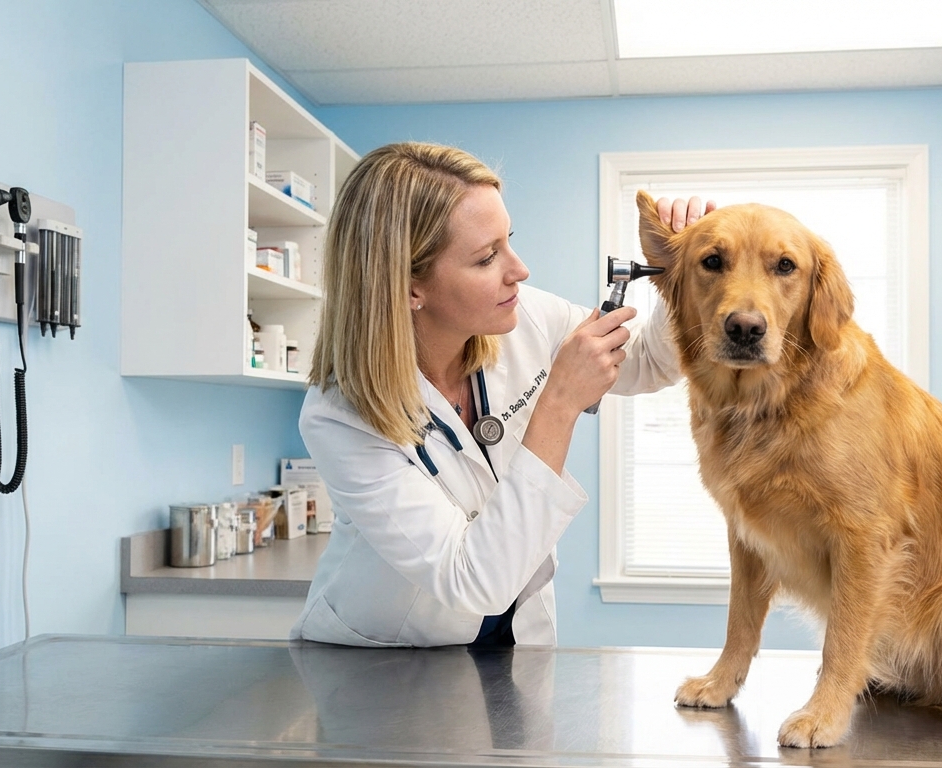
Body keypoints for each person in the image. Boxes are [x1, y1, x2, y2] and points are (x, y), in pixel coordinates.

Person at [291, 142, 711, 647]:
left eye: (508, 240)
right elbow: (472, 580)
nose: (520, 270)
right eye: (487, 257)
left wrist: (686, 277)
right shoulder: (340, 417)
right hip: (388, 658)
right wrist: (559, 402)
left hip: (515, 641)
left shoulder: (527, 316)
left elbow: (648, 364)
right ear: (408, 287)